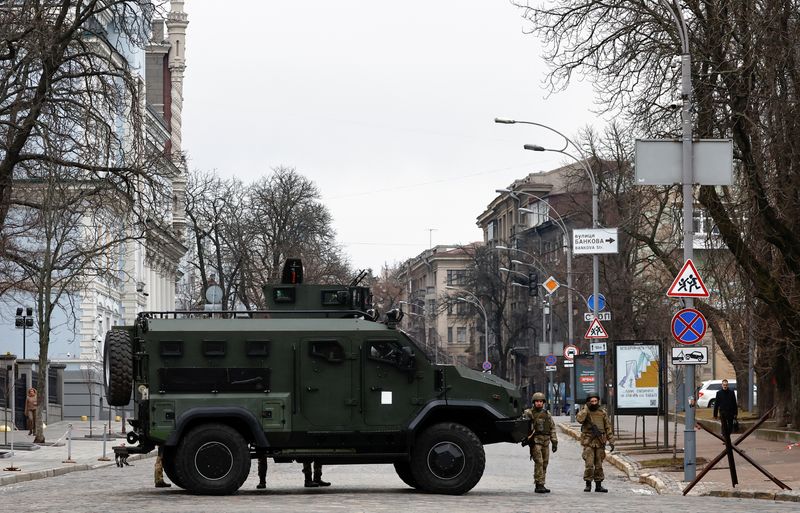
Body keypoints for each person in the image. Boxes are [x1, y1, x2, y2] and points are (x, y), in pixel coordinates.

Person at [576, 393, 614, 493]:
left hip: (600, 442)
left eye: (595, 401)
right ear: (588, 402)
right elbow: (579, 419)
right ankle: (588, 484)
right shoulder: (585, 412)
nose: (593, 403)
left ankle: (598, 484)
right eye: (591, 401)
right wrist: (586, 409)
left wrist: (611, 441)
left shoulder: (602, 412)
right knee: (589, 464)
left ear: (598, 401)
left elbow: (608, 427)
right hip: (588, 442)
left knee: (599, 465)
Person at [521, 392, 558, 493]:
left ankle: (542, 483)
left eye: (541, 401)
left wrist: (554, 442)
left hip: (546, 441)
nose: (539, 403)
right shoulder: (529, 413)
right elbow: (523, 425)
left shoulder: (547, 414)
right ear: (534, 402)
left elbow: (552, 428)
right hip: (535, 441)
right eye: (537, 401)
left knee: (545, 463)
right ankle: (538, 484)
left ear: (543, 403)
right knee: (539, 462)